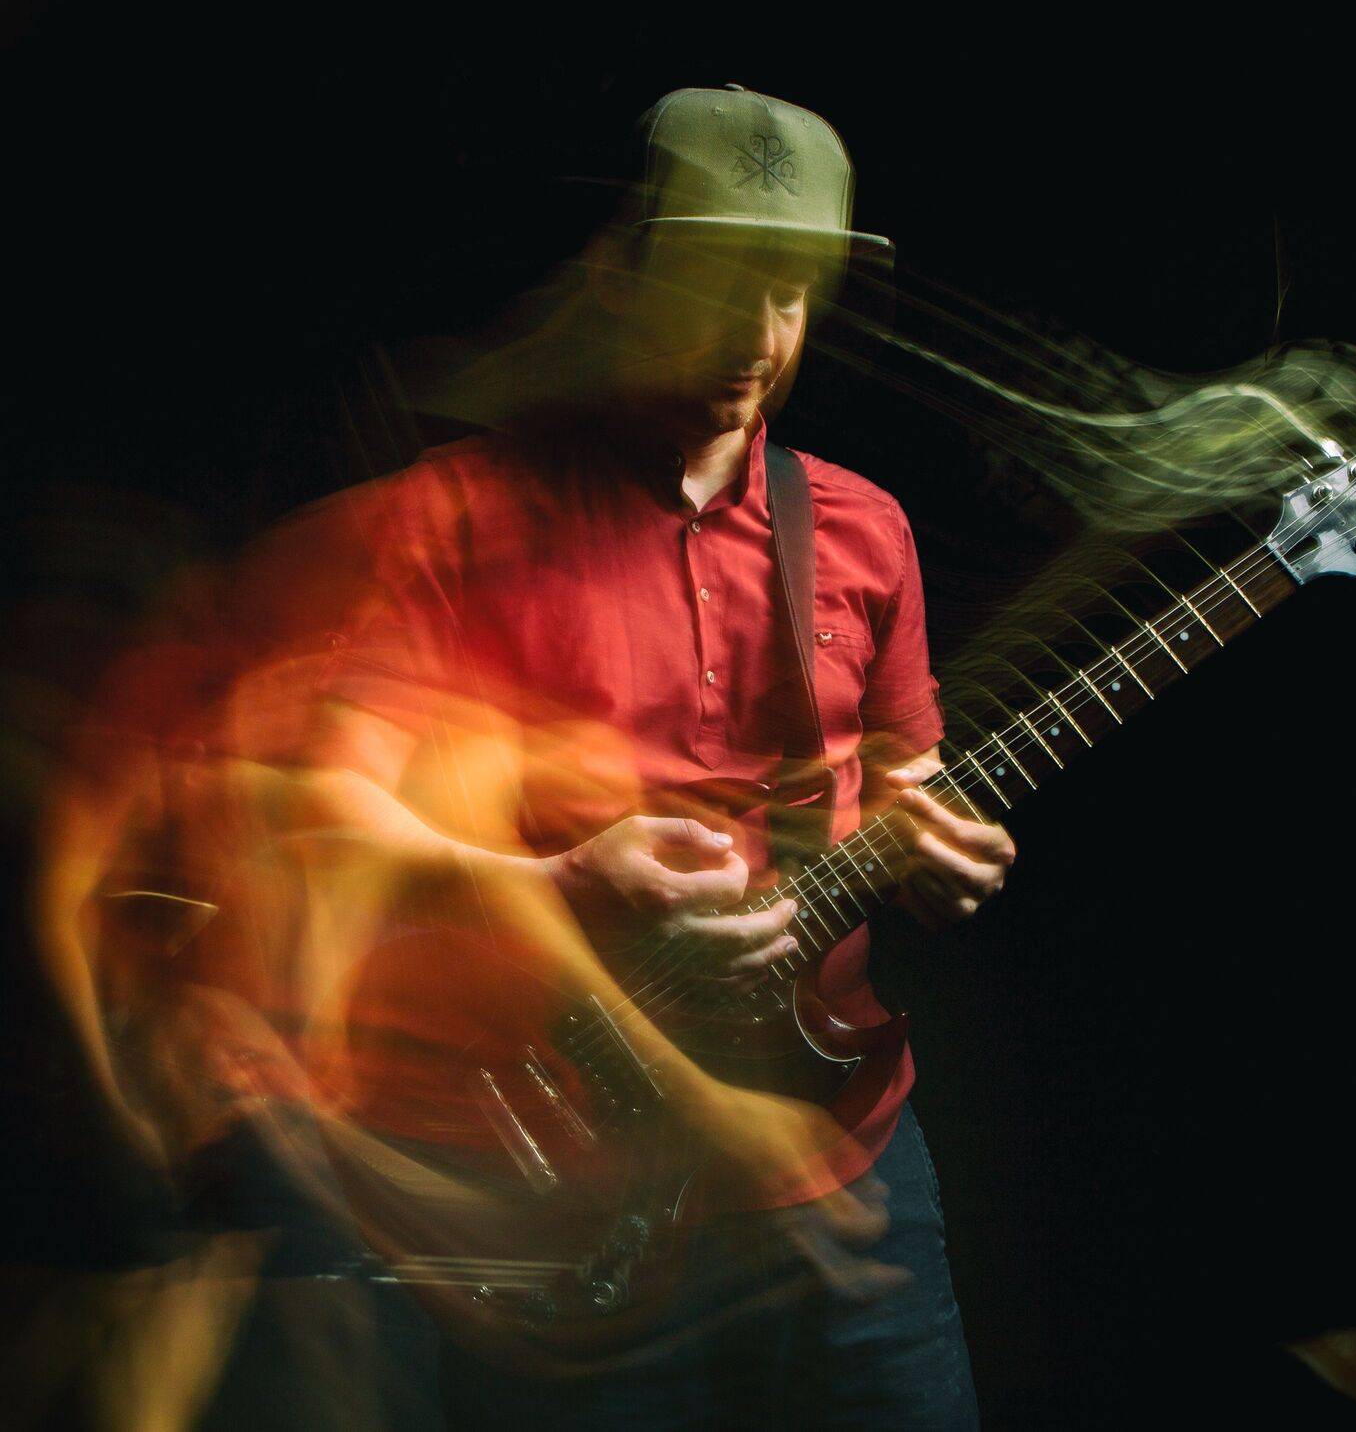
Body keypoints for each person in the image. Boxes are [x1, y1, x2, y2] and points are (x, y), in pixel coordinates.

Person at [48, 85, 1016, 1429]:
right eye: (722, 283)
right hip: (576, 1165)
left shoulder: (863, 526)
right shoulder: (455, 522)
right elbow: (319, 820)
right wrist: (562, 877)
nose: (758, 335)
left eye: (791, 292)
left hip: (837, 1138)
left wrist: (939, 847)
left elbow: (907, 777)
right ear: (625, 272)